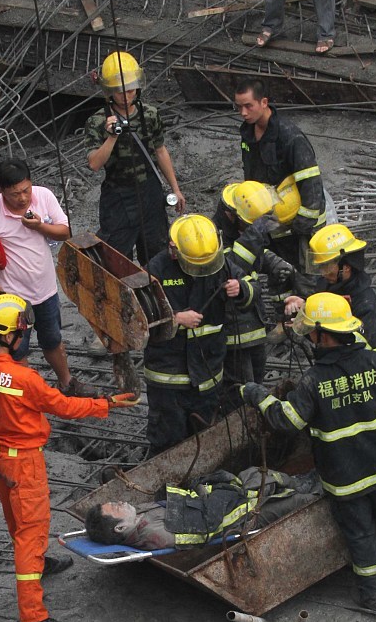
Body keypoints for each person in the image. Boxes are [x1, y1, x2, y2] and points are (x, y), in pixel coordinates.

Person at [241, 292, 376, 612]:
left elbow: (286, 420)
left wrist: (258, 395)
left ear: (321, 334)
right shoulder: (374, 362)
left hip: (345, 482)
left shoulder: (314, 381)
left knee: (361, 537)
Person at [0, 293, 137, 622]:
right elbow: (64, 406)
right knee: (31, 534)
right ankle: (34, 616)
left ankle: (39, 565)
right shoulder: (25, 380)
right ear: (14, 335)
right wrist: (107, 403)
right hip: (25, 463)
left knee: (17, 523)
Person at [0, 158, 93, 398]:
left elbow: (66, 232)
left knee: (53, 340)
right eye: (15, 194)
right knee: (17, 349)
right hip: (14, 298)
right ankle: (24, 395)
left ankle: (66, 383)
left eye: (25, 190)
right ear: (2, 191)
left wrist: (39, 227)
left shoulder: (43, 196)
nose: (22, 198)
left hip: (46, 289)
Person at [144, 214, 253, 456]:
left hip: (208, 372)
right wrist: (175, 319)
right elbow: (137, 317)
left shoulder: (217, 262)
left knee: (205, 439)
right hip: (169, 377)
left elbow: (251, 290)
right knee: (168, 442)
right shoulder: (157, 269)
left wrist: (241, 289)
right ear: (174, 250)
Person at [85, 50, 185, 264]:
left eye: (131, 89)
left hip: (150, 191)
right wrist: (111, 137)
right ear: (109, 90)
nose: (127, 94)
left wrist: (175, 188)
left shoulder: (149, 114)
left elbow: (160, 150)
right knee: (118, 259)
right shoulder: (98, 121)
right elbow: (93, 163)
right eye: (120, 91)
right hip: (118, 196)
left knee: (157, 254)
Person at [85, 466, 317, 550]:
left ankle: (300, 481)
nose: (121, 502)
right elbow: (205, 528)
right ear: (120, 527)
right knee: (298, 503)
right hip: (242, 519)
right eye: (115, 507)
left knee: (255, 474)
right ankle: (315, 490)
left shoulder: (139, 514)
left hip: (227, 504)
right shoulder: (156, 535)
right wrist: (217, 497)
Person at [216, 181, 296, 403]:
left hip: (254, 325)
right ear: (230, 215)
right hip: (234, 332)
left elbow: (256, 254)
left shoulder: (242, 231)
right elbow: (232, 265)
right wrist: (252, 236)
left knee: (256, 383)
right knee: (241, 390)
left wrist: (274, 263)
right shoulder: (213, 239)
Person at [234, 78, 326, 270]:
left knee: (308, 275)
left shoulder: (290, 137)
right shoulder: (248, 135)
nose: (243, 113)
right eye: (239, 107)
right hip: (273, 222)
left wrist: (302, 224)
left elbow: (311, 183)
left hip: (300, 224)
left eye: (248, 106)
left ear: (264, 102)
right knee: (281, 276)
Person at [285, 222, 376, 352]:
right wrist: (305, 306)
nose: (322, 272)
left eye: (326, 267)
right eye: (321, 267)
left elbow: (343, 345)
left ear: (346, 267)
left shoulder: (366, 307)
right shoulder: (328, 283)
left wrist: (309, 329)